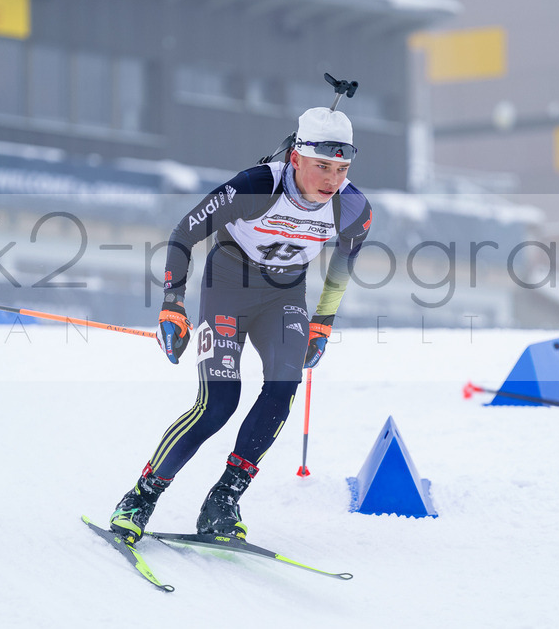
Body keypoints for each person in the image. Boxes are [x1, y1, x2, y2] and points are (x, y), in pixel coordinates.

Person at [109, 106, 373, 543]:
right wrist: (173, 304)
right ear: (297, 158)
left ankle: (223, 500)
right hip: (228, 287)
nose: (332, 180)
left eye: (342, 169)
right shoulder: (256, 186)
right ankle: (141, 497)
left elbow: (344, 262)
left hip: (284, 296)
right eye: (322, 166)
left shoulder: (353, 207)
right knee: (218, 403)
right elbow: (184, 233)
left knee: (284, 387)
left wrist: (322, 321)